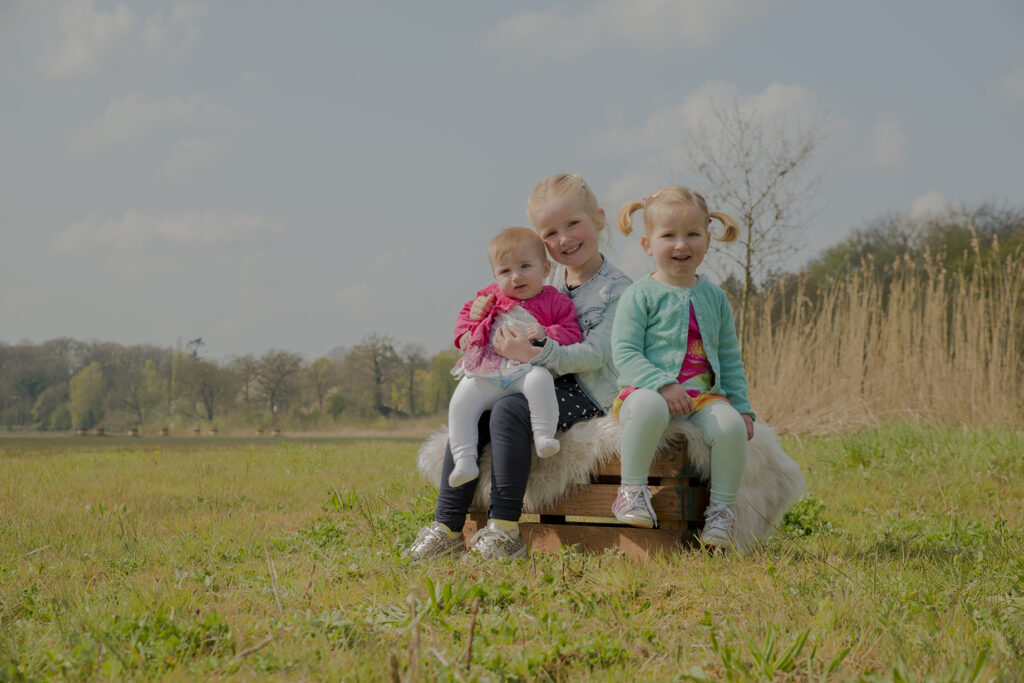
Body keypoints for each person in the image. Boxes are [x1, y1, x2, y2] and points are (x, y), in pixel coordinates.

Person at [404, 173, 632, 560]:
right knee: (478, 410)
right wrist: (481, 313)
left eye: (573, 224)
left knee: (509, 410)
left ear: (599, 218)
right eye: (551, 233)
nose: (564, 239)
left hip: (589, 389)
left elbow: (597, 353)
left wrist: (536, 352)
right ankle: (446, 525)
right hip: (535, 379)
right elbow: (495, 297)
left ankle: (505, 529)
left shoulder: (617, 289)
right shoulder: (544, 275)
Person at [609, 185, 755, 549]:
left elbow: (729, 357)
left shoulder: (714, 296)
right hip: (644, 393)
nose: (681, 245)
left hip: (701, 399)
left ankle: (721, 514)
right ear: (648, 245)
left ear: (707, 240)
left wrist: (741, 407)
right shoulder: (640, 295)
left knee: (731, 427)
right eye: (668, 235)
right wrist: (661, 384)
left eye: (692, 235)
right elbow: (624, 351)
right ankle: (631, 491)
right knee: (650, 405)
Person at [446, 227, 583, 488]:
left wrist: (547, 332)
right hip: (489, 371)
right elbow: (466, 315)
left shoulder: (555, 302)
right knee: (462, 399)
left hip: (525, 369)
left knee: (540, 380)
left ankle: (544, 436)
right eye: (505, 271)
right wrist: (467, 329)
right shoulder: (490, 296)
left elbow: (572, 333)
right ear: (495, 276)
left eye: (525, 266)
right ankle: (464, 459)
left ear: (546, 269)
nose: (516, 276)